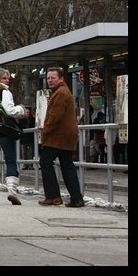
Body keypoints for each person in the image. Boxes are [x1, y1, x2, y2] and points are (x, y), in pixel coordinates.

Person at [0, 68, 29, 205]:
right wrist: (21, 109)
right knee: (10, 161)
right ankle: (12, 192)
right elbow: (9, 110)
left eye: (8, 78)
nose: (7, 81)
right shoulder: (5, 92)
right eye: (4, 78)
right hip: (4, 130)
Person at [38, 66, 85, 208]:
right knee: (67, 165)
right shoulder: (63, 91)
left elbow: (54, 116)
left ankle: (53, 196)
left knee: (45, 162)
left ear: (61, 79)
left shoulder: (60, 93)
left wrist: (45, 131)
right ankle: (76, 198)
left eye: (53, 78)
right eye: (48, 78)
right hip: (67, 136)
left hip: (57, 136)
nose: (50, 81)